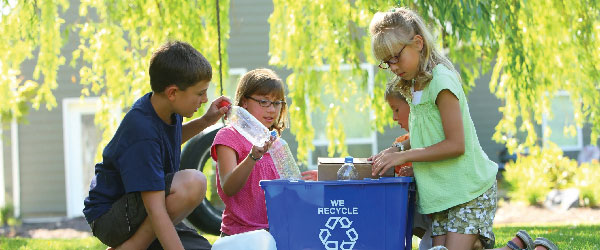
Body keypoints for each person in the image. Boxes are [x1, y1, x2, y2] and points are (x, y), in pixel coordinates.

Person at [368, 7, 558, 250]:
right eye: (387, 62)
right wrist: (398, 147)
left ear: (418, 43)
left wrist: (404, 156)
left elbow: (455, 145)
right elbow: (426, 133)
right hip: (441, 194)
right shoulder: (413, 84)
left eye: (396, 56)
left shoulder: (441, 82)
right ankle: (518, 246)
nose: (393, 66)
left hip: (468, 191)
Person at [83, 41, 230, 250]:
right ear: (172, 93)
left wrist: (206, 121)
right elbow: (156, 209)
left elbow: (167, 141)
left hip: (136, 210)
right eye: (200, 93)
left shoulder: (165, 110)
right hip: (110, 217)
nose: (205, 99)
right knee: (192, 182)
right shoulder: (142, 130)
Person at [211, 68, 288, 236]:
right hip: (240, 235)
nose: (272, 110)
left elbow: (286, 192)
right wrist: (253, 157)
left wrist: (307, 180)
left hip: (275, 233)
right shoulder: (229, 136)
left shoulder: (277, 143)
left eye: (277, 103)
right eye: (264, 102)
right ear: (244, 102)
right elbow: (229, 187)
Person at [373, 82, 433, 249]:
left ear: (412, 106)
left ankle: (476, 238)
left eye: (396, 109)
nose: (393, 117)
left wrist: (416, 171)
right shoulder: (400, 143)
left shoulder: (434, 137)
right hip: (425, 217)